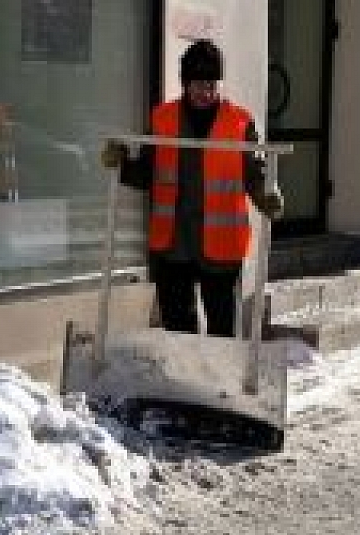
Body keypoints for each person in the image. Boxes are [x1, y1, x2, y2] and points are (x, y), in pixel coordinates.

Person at [101, 39, 283, 337]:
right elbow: (147, 172)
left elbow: (254, 172)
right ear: (185, 83)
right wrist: (121, 164)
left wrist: (266, 195)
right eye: (199, 84)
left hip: (221, 247)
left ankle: (220, 383)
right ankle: (185, 383)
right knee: (177, 329)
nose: (206, 92)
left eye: (212, 84)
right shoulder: (162, 118)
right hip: (173, 244)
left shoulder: (239, 122)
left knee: (223, 330)